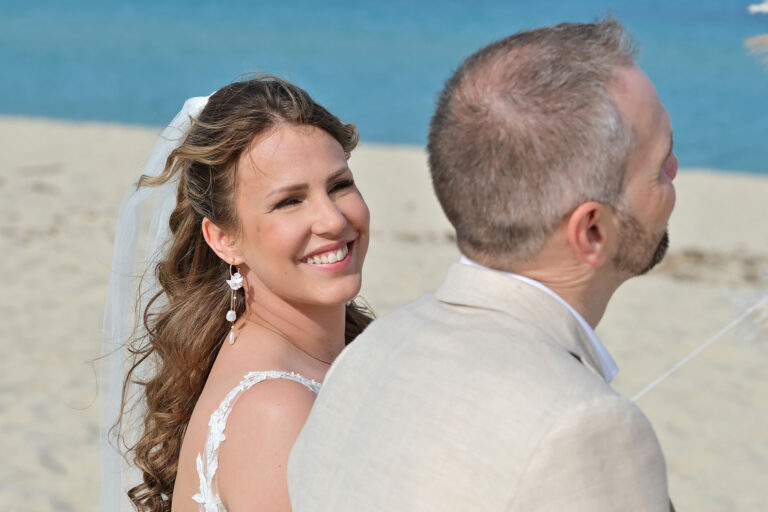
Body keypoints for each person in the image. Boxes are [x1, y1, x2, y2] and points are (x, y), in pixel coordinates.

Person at [288, 19, 678, 511]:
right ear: (592, 231)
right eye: (661, 162)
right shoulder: (586, 426)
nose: (675, 171)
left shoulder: (367, 353)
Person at [101, 76, 372, 512]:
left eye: (339, 185)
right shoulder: (275, 411)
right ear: (224, 239)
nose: (333, 219)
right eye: (290, 201)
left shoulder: (319, 361)